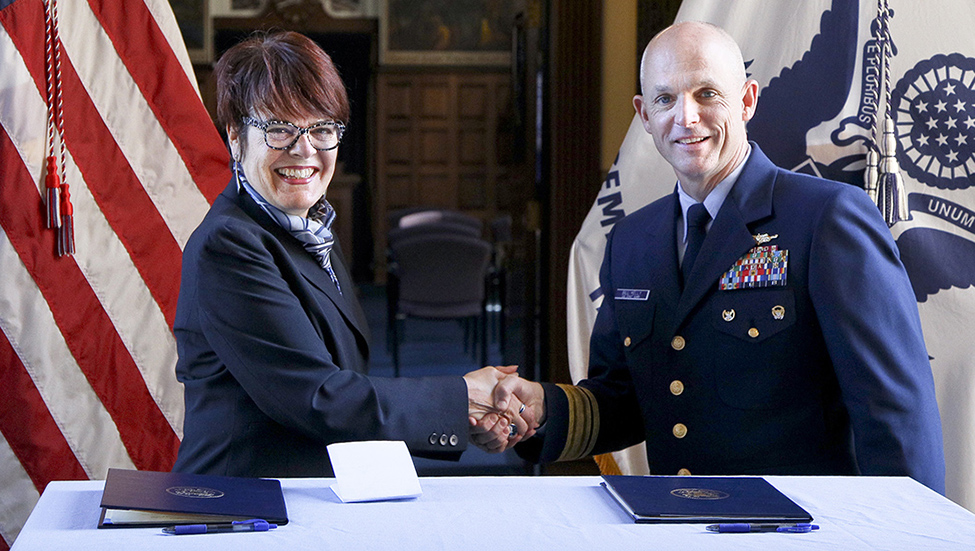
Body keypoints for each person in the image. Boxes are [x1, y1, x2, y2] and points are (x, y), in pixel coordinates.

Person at [480, 21, 946, 493]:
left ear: (746, 101)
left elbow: (895, 414)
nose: (685, 117)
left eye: (706, 94)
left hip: (800, 532)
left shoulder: (826, 218)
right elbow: (624, 400)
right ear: (644, 115)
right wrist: (539, 406)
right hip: (676, 523)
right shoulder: (632, 241)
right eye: (664, 99)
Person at [172, 31, 532, 478]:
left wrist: (465, 421)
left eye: (322, 129)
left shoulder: (312, 228)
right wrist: (461, 398)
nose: (305, 150)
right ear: (235, 136)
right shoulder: (229, 245)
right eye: (280, 128)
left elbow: (348, 390)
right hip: (240, 510)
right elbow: (319, 399)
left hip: (311, 497)